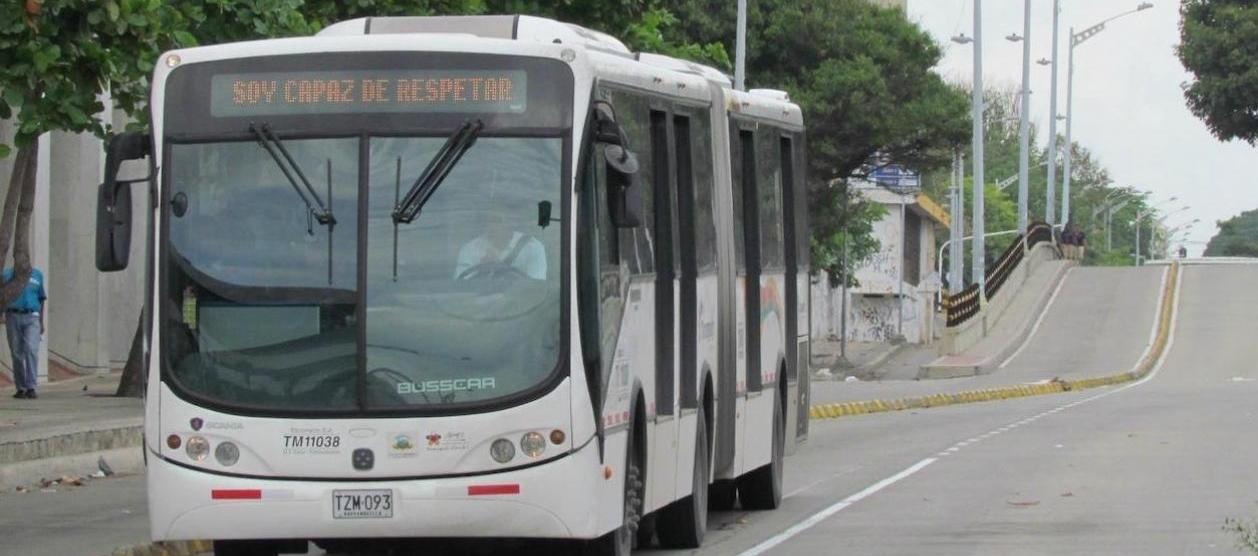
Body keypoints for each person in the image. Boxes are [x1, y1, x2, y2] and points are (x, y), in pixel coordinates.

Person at [453, 219, 546, 281]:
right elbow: (460, 288)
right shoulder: (470, 249)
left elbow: (537, 289)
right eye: (490, 221)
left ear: (512, 223)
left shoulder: (531, 247)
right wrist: (481, 271)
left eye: (499, 221)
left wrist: (501, 269)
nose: (493, 226)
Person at [4, 266, 46, 399]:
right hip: (13, 316)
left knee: (31, 349)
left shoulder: (37, 275)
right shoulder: (6, 275)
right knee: (16, 353)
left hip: (32, 317)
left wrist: (41, 321)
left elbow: (41, 298)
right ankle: (21, 388)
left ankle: (31, 387)